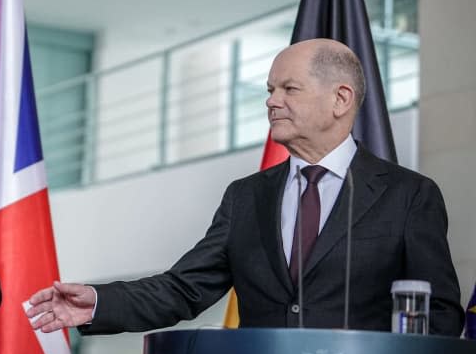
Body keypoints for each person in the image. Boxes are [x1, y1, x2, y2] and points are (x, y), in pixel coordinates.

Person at [26, 38, 464, 336]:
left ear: (341, 99)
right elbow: (184, 288)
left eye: (289, 88)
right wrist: (99, 303)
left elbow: (438, 316)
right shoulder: (246, 197)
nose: (272, 100)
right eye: (271, 89)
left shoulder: (409, 195)